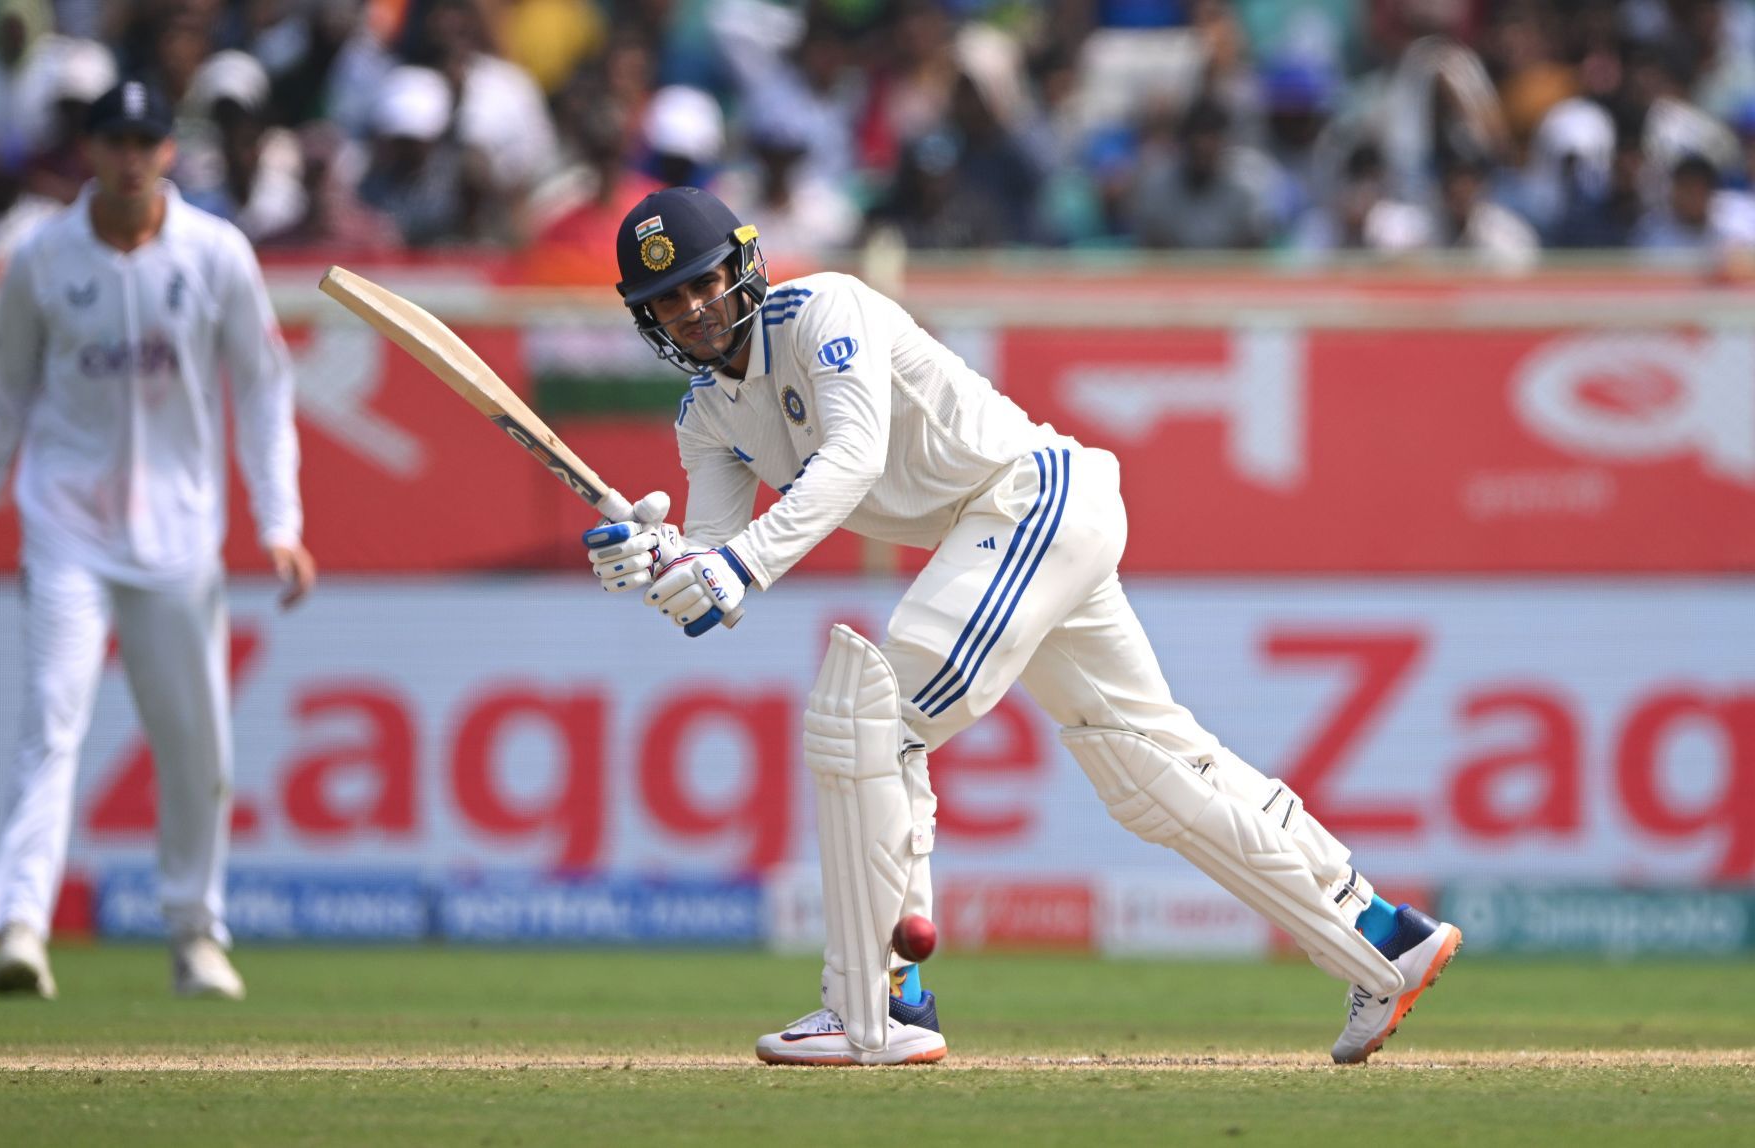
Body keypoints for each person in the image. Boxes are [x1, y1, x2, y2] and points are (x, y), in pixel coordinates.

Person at [584, 186, 1463, 1066]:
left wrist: (729, 566)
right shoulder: (706, 418)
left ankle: (879, 1006)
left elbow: (846, 462)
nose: (694, 309)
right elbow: (715, 567)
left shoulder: (825, 311)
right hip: (1012, 532)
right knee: (1145, 766)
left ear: (745, 268)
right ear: (648, 317)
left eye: (706, 283)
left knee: (871, 722)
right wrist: (659, 563)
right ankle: (1379, 934)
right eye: (669, 300)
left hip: (1027, 498)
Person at [0, 81, 314, 1001]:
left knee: (196, 743)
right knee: (52, 718)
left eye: (146, 141)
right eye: (115, 140)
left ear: (168, 150)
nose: (131, 158)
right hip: (66, 528)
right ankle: (24, 928)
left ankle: (195, 936)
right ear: (90, 149)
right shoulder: (42, 257)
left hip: (179, 537)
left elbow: (263, 391)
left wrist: (280, 523)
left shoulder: (215, 253)